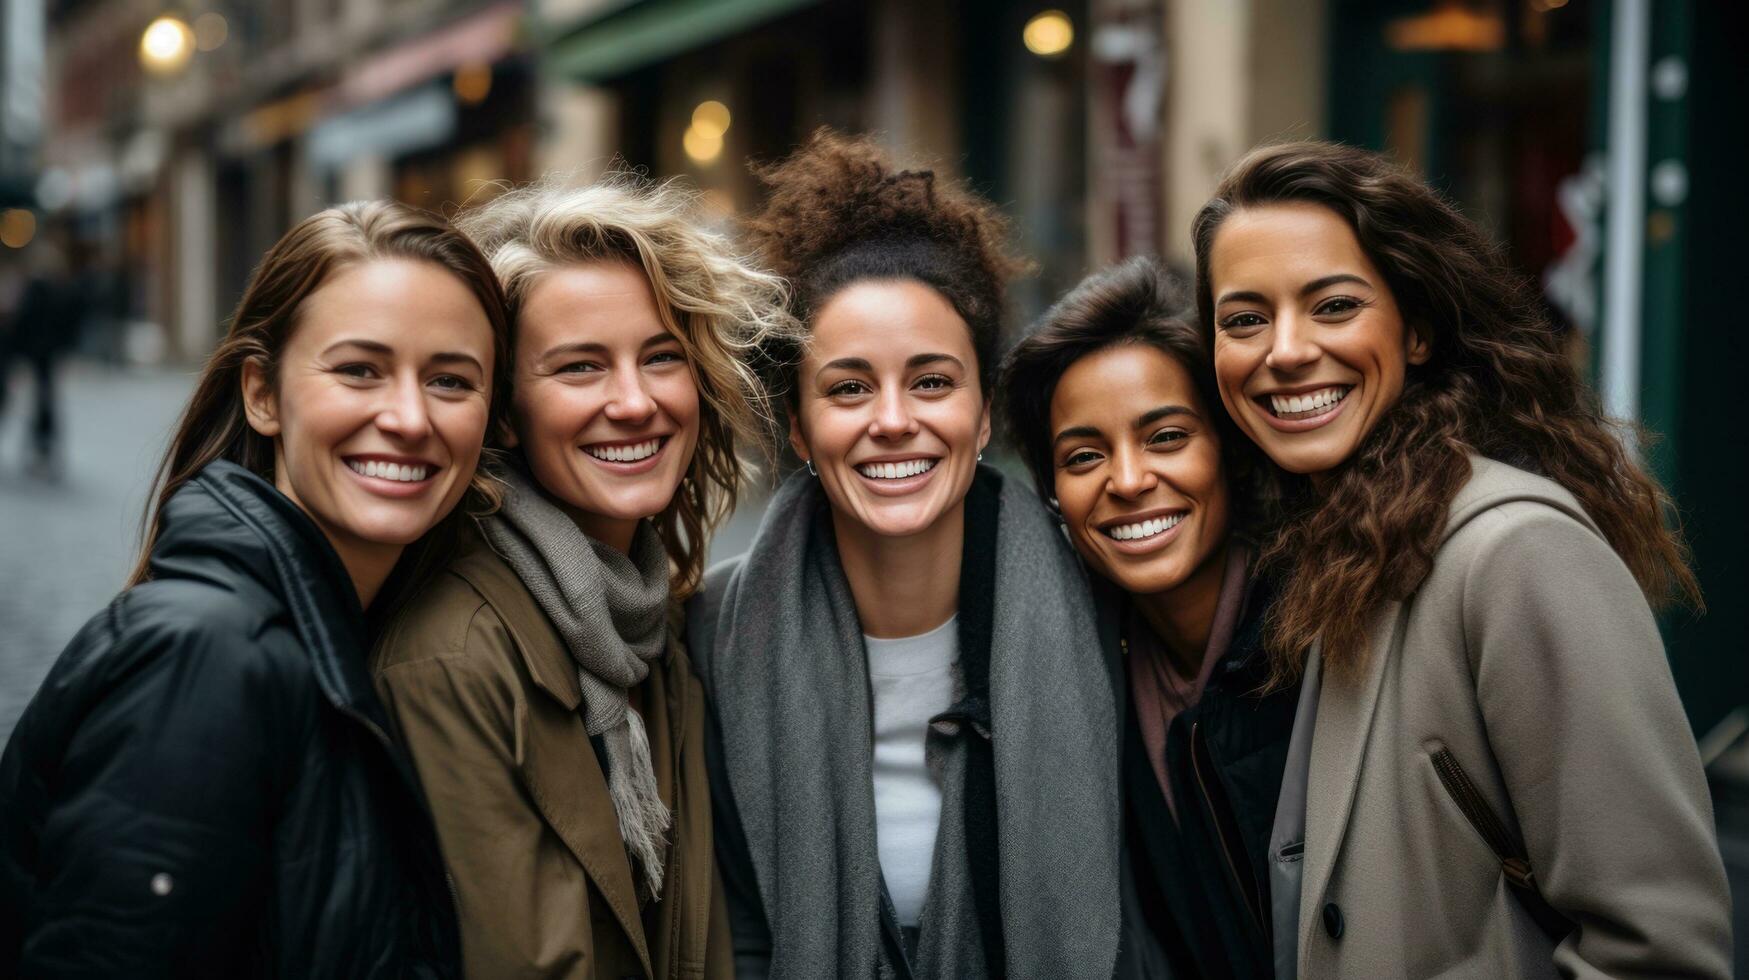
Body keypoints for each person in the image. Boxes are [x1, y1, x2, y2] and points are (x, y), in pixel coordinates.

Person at [1192, 141, 1732, 978]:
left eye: (1332, 305)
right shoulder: (1328, 548)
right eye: (1243, 319)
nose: (1285, 349)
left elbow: (1657, 946)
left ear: (1416, 331)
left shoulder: (1516, 552)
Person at [0, 200, 512, 976]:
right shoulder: (206, 657)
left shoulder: (361, 631)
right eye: (358, 370)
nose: (409, 417)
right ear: (262, 395)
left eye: (450, 380)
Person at [687, 130, 1121, 980]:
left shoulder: (1104, 609)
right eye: (848, 388)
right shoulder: (709, 636)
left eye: (931, 381)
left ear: (984, 414)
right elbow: (728, 931)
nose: (892, 420)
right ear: (798, 426)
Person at [370, 175, 793, 979]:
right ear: (501, 409)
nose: (634, 402)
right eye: (580, 368)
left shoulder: (647, 615)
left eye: (661, 357)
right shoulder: (453, 659)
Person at [1000, 255, 1294, 980]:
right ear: (1052, 493)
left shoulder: (1323, 640)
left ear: (1230, 448)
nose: (1127, 482)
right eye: (1083, 456)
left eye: (1165, 438)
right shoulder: (1078, 675)